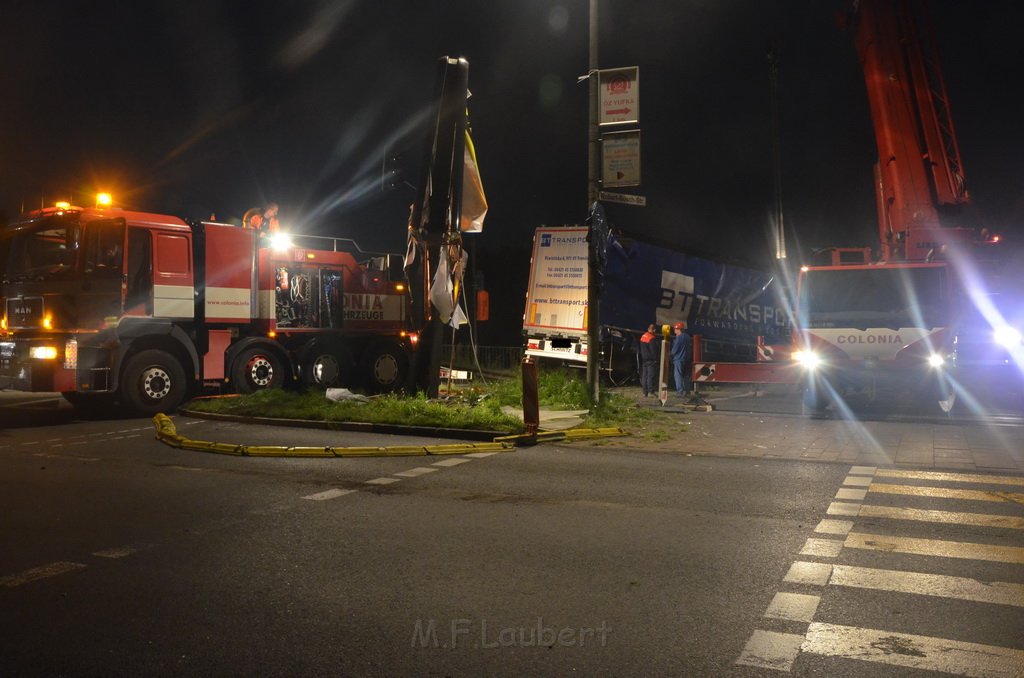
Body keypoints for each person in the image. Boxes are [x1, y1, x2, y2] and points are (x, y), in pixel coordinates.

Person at [670, 321, 693, 396]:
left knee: (678, 375)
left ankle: (680, 392)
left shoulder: (679, 338)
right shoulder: (688, 337)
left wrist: (670, 354)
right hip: (687, 359)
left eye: (675, 329)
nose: (674, 331)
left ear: (679, 329)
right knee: (686, 376)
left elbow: (674, 350)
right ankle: (687, 391)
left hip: (679, 359)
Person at [638, 323, 660, 397]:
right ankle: (651, 391)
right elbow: (653, 350)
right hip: (651, 360)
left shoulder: (642, 336)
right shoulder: (651, 338)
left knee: (644, 376)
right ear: (653, 330)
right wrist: (656, 359)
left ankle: (645, 392)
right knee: (650, 376)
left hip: (644, 359)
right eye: (654, 330)